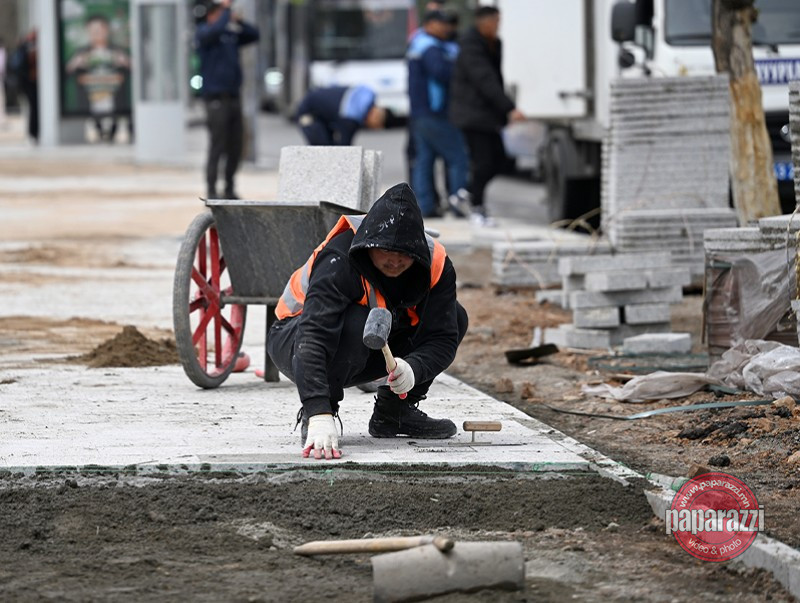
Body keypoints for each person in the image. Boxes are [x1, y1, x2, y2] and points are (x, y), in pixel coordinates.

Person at [267, 183, 468, 460]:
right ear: (369, 244)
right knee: (357, 320)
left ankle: (394, 413)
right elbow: (313, 337)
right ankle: (325, 413)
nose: (395, 261)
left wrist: (414, 368)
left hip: (365, 344)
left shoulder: (435, 263)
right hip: (294, 338)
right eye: (385, 252)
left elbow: (443, 337)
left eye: (404, 255)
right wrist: (318, 411)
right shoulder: (340, 258)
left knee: (456, 316)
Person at [450, 6, 525, 227]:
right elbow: (484, 79)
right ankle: (477, 208)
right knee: (483, 162)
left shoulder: (494, 43)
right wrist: (508, 107)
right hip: (472, 114)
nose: (498, 26)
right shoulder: (470, 44)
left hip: (487, 115)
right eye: (495, 22)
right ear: (484, 22)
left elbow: (496, 78)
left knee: (502, 160)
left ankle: (465, 195)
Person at [407, 10, 469, 219]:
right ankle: (459, 204)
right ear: (430, 24)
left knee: (425, 160)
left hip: (420, 112)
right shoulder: (431, 48)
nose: (447, 28)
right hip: (434, 113)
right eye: (442, 24)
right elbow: (442, 73)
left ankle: (425, 207)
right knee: (458, 157)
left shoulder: (419, 44)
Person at [195, 0, 259, 200]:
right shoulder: (205, 33)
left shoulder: (230, 34)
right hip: (215, 99)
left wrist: (238, 21)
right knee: (218, 145)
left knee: (235, 145)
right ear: (210, 15)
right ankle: (212, 189)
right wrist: (226, 9)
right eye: (217, 12)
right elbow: (216, 29)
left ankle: (229, 187)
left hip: (233, 97)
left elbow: (254, 35)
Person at [65, 14, 132, 142]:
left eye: (100, 29)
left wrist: (125, 62)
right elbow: (65, 74)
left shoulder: (118, 51)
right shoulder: (81, 52)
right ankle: (100, 131)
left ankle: (111, 132)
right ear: (88, 32)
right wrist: (74, 63)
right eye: (93, 30)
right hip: (91, 100)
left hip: (115, 100)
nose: (97, 33)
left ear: (107, 30)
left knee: (114, 119)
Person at [294, 84, 394, 146]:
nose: (372, 128)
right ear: (376, 118)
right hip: (308, 113)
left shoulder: (365, 96)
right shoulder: (351, 117)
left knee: (330, 148)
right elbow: (345, 149)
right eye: (376, 125)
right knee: (323, 149)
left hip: (321, 110)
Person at [11, 30, 38, 142]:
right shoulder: (29, 49)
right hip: (30, 82)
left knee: (33, 107)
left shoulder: (23, 48)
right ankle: (34, 131)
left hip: (26, 82)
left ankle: (33, 132)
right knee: (34, 107)